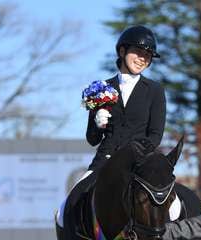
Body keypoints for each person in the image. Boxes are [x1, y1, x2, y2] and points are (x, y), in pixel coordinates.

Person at [55, 25, 166, 239]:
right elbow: (92, 139)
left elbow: (155, 135)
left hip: (140, 162)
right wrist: (97, 122)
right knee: (64, 209)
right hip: (104, 159)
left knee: (170, 207)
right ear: (122, 51)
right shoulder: (101, 88)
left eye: (148, 55)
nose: (143, 58)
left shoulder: (154, 90)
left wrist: (136, 154)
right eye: (138, 52)